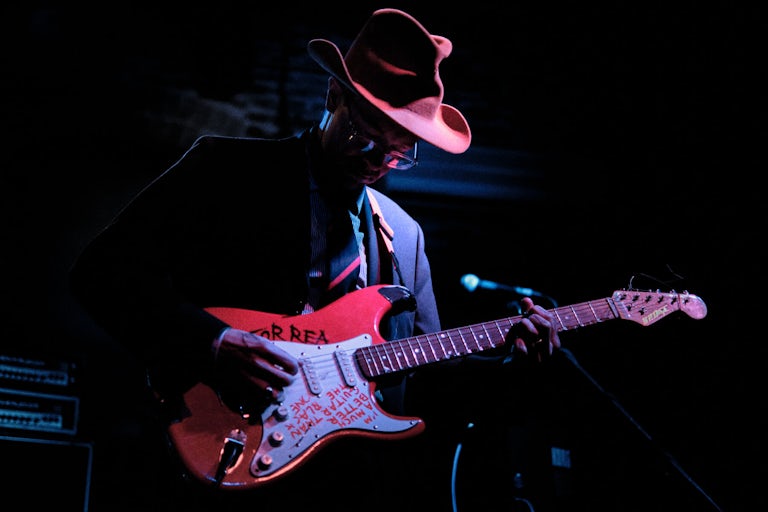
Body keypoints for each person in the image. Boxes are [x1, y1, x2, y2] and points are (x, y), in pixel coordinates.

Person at [70, 8, 560, 512]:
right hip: (219, 450)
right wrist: (211, 342)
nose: (376, 160)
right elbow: (102, 271)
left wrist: (508, 365)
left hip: (345, 487)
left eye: (397, 153)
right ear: (332, 98)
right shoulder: (225, 170)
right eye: (365, 136)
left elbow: (427, 377)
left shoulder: (405, 237)